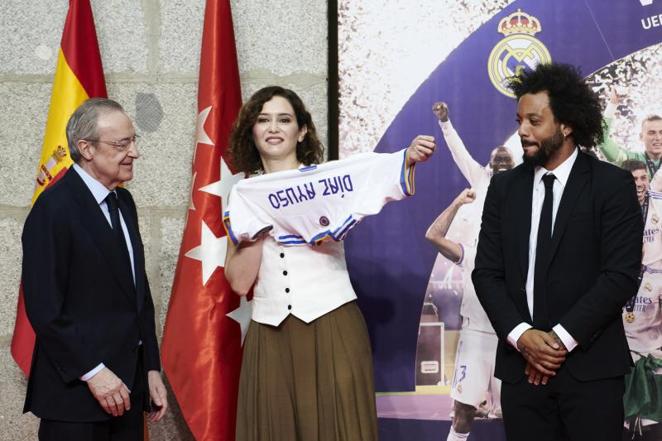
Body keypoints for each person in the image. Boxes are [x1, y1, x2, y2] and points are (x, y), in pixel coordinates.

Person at [223, 86, 435, 441]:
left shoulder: (328, 184)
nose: (273, 128)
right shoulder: (243, 196)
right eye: (263, 120)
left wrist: (406, 158)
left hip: (330, 322)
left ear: (301, 130)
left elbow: (372, 175)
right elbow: (240, 283)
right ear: (252, 131)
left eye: (284, 119)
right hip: (270, 331)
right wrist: (261, 217)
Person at [472, 63, 643, 441]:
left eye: (534, 120)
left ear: (566, 125)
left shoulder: (611, 185)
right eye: (519, 120)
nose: (522, 131)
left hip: (591, 372)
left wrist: (556, 342)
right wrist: (522, 337)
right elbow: (486, 273)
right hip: (521, 372)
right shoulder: (504, 189)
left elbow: (620, 276)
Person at [22, 98, 168, 441]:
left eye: (134, 141)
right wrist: (93, 372)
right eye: (121, 144)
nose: (134, 152)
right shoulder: (53, 209)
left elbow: (137, 293)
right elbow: (45, 309)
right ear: (85, 148)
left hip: (128, 392)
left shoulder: (123, 201)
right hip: (76, 397)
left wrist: (149, 367)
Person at [425, 188, 501, 441]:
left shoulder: (525, 255)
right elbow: (433, 236)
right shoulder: (473, 254)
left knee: (522, 415)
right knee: (463, 414)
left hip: (513, 342)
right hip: (476, 338)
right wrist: (457, 202)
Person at [620, 161, 662, 440]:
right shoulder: (610, 212)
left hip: (654, 355)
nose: (639, 183)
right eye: (632, 178)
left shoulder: (657, 206)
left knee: (653, 429)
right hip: (619, 360)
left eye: (642, 177)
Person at [431, 102, 514, 242]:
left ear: (513, 165)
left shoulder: (521, 187)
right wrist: (445, 122)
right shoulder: (481, 177)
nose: (501, 163)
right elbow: (459, 151)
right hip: (477, 249)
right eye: (497, 159)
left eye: (505, 160)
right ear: (491, 164)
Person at [599, 89, 662, 179]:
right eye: (651, 133)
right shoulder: (631, 160)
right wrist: (613, 104)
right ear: (641, 137)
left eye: (661, 133)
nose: (658, 137)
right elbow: (601, 140)